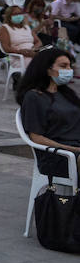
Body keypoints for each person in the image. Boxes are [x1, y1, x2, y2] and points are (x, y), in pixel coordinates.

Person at [17, 47, 80, 178]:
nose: (69, 70)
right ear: (48, 69)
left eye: (69, 66)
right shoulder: (34, 97)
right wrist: (71, 150)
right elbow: (36, 138)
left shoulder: (66, 94)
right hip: (57, 155)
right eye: (63, 66)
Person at [0, 6, 39, 80]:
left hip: (32, 53)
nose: (18, 16)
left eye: (20, 13)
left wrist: (34, 49)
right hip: (18, 57)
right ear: (9, 16)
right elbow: (6, 48)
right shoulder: (5, 28)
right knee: (36, 63)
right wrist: (21, 52)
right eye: (15, 14)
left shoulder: (26, 27)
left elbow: (38, 42)